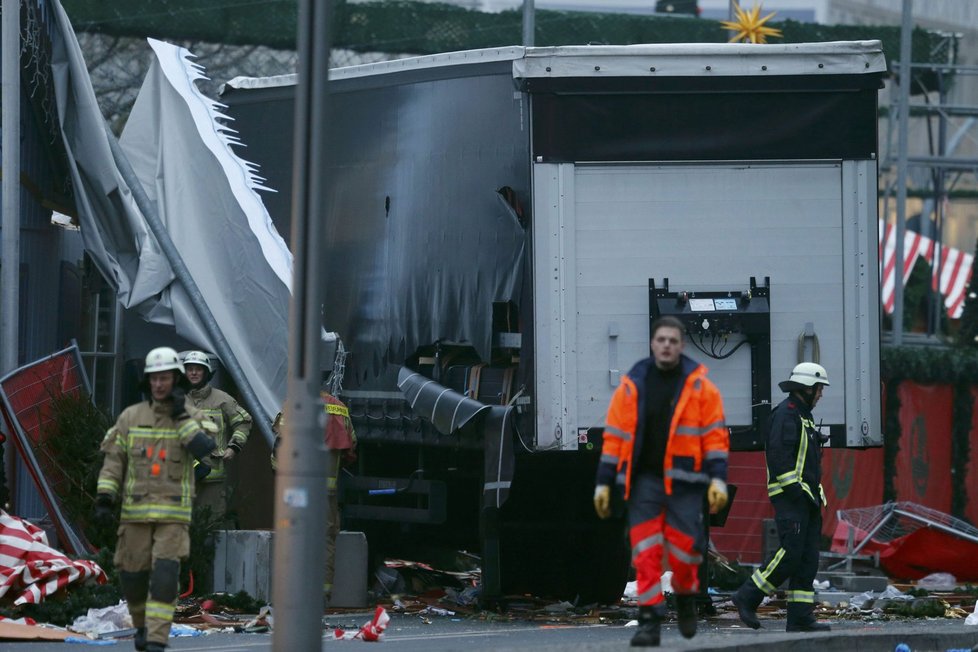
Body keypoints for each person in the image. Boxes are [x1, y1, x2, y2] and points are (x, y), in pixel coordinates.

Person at [594, 316, 730, 647]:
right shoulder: (632, 386)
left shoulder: (701, 388)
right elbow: (613, 438)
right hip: (643, 483)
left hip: (685, 483)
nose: (666, 345)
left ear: (681, 345)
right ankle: (649, 621)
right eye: (661, 339)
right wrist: (603, 482)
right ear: (653, 344)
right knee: (645, 552)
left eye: (673, 340)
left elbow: (714, 438)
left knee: (686, 553)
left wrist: (719, 481)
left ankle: (684, 597)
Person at [94, 347, 217, 652]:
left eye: (166, 378)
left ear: (175, 380)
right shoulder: (131, 417)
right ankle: (140, 626)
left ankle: (157, 640)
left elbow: (205, 447)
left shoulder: (189, 415)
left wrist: (181, 417)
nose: (160, 384)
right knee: (133, 578)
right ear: (147, 382)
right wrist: (105, 497)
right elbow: (113, 461)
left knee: (164, 577)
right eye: (154, 379)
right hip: (135, 515)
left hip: (173, 516)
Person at [732, 362, 832, 633]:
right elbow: (779, 456)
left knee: (808, 558)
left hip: (808, 499)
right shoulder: (787, 415)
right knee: (790, 553)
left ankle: (800, 616)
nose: (821, 395)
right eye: (819, 389)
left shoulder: (803, 416)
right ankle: (747, 596)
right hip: (792, 498)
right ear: (807, 388)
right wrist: (795, 491)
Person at [270, 387, 357, 603]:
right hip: (327, 490)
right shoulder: (340, 408)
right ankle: (322, 593)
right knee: (326, 537)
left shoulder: (295, 404)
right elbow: (352, 444)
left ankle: (294, 592)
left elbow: (281, 440)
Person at [181, 350, 253, 525]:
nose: (194, 373)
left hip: (212, 481)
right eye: (190, 369)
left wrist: (234, 447)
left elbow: (244, 422)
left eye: (198, 369)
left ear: (207, 373)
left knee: (211, 529)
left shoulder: (222, 400)